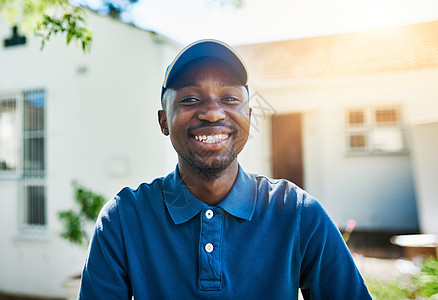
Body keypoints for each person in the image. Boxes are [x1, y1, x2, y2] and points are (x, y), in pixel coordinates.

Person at [79, 39, 371, 299]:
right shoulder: (123, 219)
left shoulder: (297, 213)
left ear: (249, 116)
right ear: (163, 121)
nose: (212, 112)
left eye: (230, 99)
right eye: (190, 99)